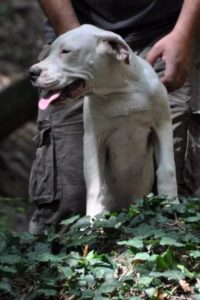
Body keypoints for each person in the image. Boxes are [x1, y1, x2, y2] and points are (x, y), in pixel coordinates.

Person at [29, 0, 200, 233]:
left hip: (168, 33)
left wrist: (184, 32)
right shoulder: (74, 47)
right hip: (75, 31)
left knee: (173, 208)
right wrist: (75, 42)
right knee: (68, 203)